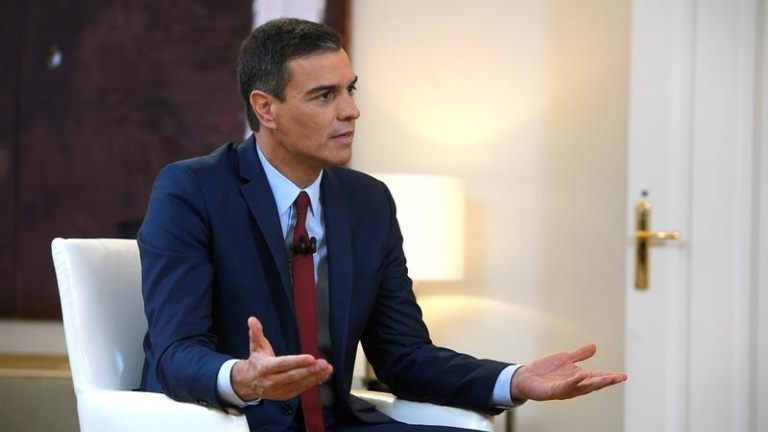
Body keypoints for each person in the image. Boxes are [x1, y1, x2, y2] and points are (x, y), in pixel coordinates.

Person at [138, 17, 626, 432]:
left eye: (349, 90)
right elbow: (175, 351)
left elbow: (403, 357)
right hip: (234, 423)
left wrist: (515, 379)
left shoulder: (367, 202)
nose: (351, 111)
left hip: (338, 421)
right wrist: (241, 378)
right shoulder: (192, 190)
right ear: (266, 108)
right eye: (324, 96)